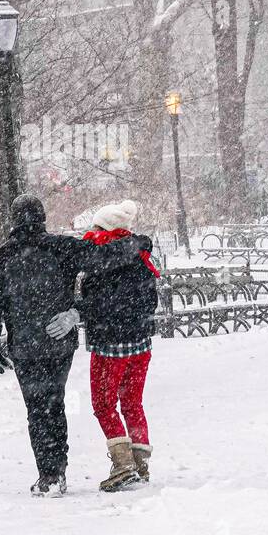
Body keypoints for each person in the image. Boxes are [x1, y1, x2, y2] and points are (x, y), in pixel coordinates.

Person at [0, 194, 145, 495]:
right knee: (55, 403)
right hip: (59, 342)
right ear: (42, 218)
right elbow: (102, 256)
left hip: (25, 345)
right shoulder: (62, 247)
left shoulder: (1, 257)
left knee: (37, 409)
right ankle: (59, 469)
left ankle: (50, 474)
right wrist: (135, 244)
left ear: (13, 220)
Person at [79, 199, 160, 492]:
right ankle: (140, 463)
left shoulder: (102, 259)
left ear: (105, 229)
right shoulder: (140, 255)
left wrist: (82, 310)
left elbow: (98, 303)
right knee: (132, 402)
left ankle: (123, 464)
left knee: (103, 403)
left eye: (96, 227)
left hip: (110, 346)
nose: (91, 232)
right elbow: (151, 300)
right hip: (141, 345)